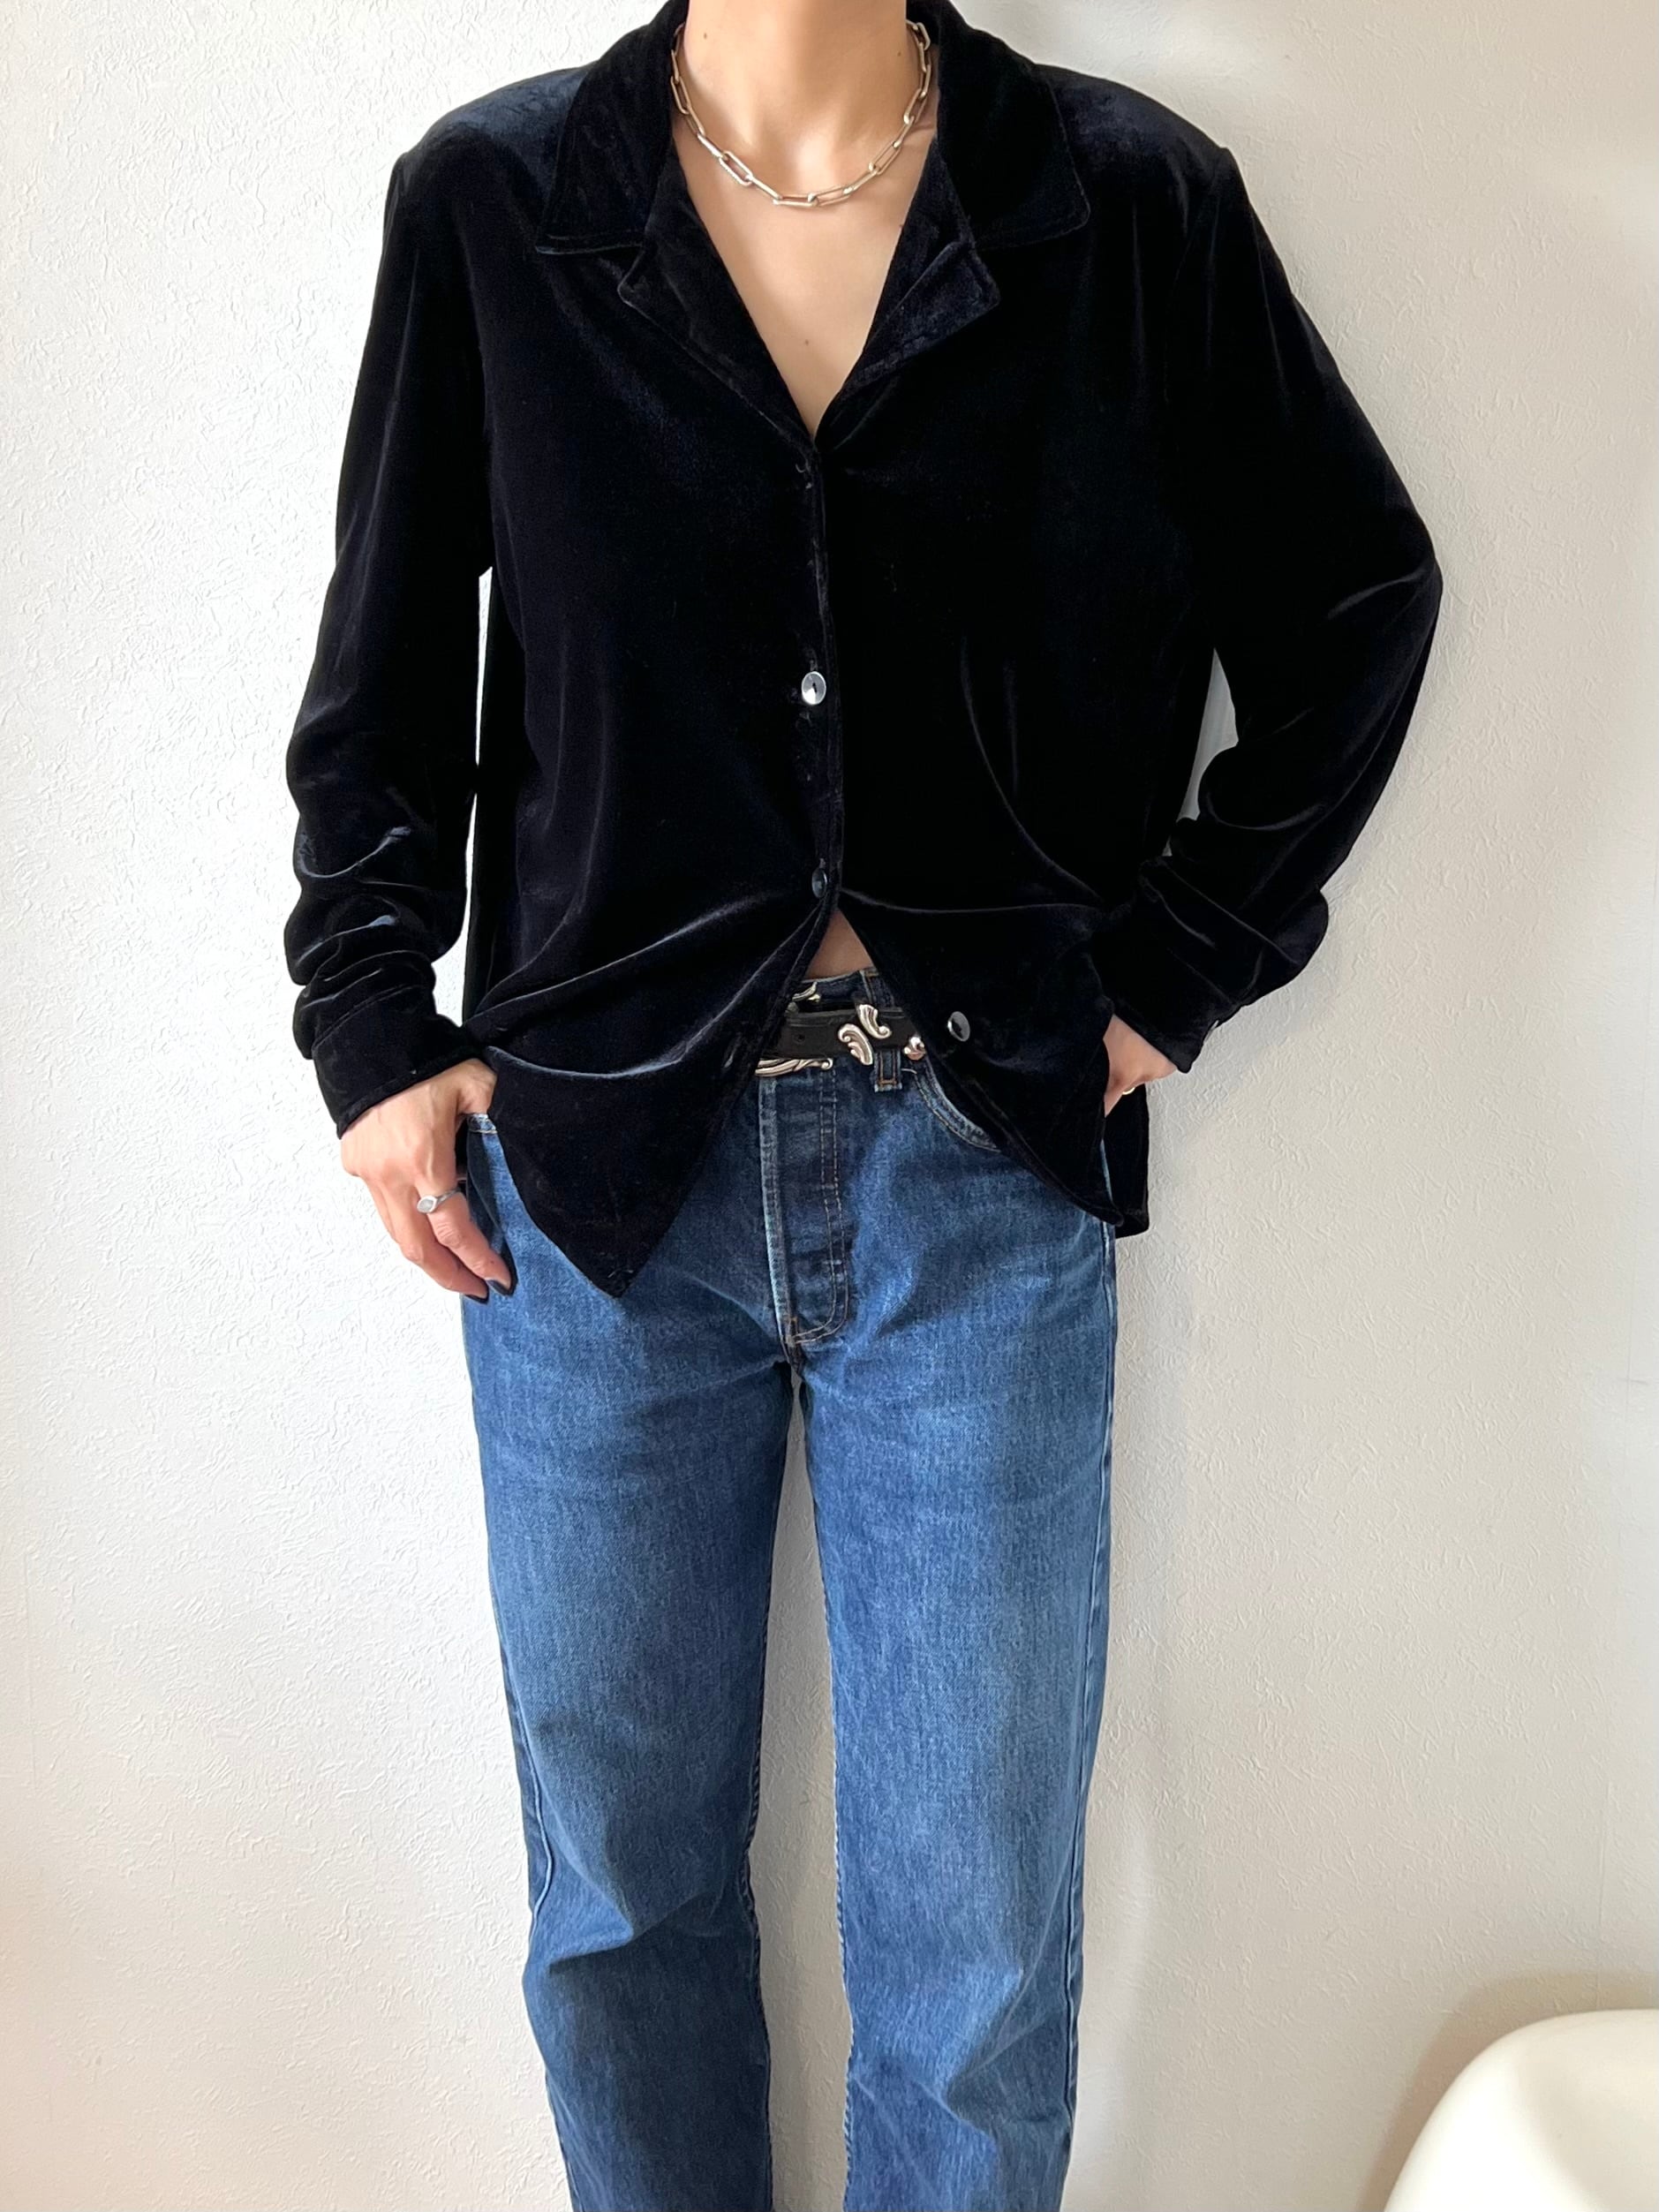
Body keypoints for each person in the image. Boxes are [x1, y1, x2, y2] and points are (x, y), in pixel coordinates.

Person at [282, 0, 1443, 2204]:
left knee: (973, 1952)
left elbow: (1356, 598)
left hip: (978, 1165)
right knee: (617, 1904)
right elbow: (386, 670)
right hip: (593, 1186)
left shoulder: (1121, 203)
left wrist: (1173, 969)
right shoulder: (500, 204)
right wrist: (368, 1028)